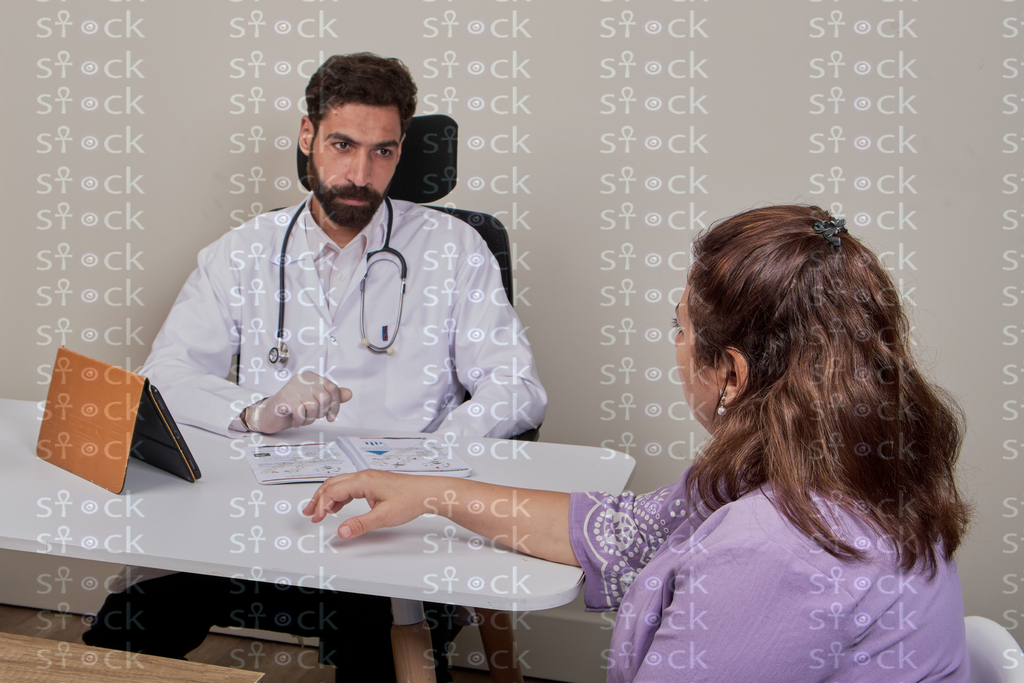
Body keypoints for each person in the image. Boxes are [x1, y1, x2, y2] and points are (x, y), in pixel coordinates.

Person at [303, 205, 972, 682]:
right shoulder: (825, 466)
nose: (675, 348)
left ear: (732, 373)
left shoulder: (778, 546)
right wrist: (435, 493)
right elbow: (622, 533)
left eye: (680, 330)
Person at [83, 53, 546, 683]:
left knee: (372, 648)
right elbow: (165, 375)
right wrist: (252, 412)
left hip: (390, 518)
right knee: (123, 631)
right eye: (342, 144)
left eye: (383, 151)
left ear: (402, 150)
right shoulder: (244, 251)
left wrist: (427, 461)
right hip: (256, 511)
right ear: (307, 138)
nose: (360, 173)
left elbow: (515, 387)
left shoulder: (453, 249)